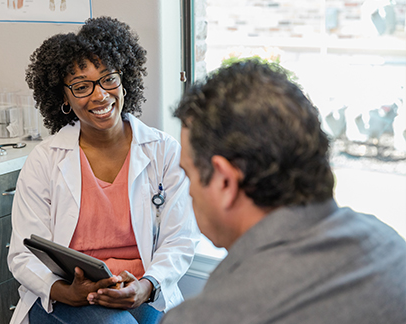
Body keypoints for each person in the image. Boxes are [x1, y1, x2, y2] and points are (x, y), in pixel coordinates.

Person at [162, 58, 406, 324]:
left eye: (189, 174)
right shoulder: (391, 247)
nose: (189, 193)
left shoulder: (208, 316)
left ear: (225, 182)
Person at [8, 16, 200, 324]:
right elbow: (22, 254)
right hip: (67, 297)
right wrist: (65, 291)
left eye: (108, 79)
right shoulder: (45, 160)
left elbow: (181, 239)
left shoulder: (162, 151)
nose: (100, 95)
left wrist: (146, 286)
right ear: (64, 98)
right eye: (82, 86)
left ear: (124, 80)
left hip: (139, 289)